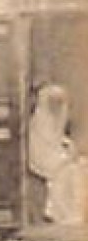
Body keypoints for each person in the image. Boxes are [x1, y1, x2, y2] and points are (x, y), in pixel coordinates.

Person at [28, 83, 85, 226]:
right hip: (49, 168)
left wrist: (70, 152)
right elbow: (41, 159)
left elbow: (61, 141)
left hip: (59, 164)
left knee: (82, 166)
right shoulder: (38, 127)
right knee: (71, 172)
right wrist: (66, 159)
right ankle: (66, 214)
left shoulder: (56, 124)